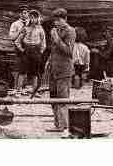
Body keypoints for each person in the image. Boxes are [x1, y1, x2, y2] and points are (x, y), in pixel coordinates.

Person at [46, 8, 76, 136]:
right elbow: (53, 50)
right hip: (54, 68)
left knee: (63, 98)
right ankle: (57, 124)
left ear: (65, 19)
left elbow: (69, 52)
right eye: (55, 20)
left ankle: (65, 126)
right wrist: (48, 61)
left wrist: (57, 38)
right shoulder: (56, 31)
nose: (56, 22)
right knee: (53, 97)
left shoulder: (70, 31)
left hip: (64, 70)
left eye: (59, 19)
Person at [17, 10, 46, 94]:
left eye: (35, 18)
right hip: (27, 50)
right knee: (22, 71)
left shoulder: (40, 29)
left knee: (35, 72)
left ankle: (34, 91)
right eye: (31, 18)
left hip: (36, 51)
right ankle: (19, 90)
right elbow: (17, 41)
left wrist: (40, 51)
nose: (33, 20)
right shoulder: (25, 28)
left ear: (37, 19)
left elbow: (43, 43)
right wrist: (22, 49)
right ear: (29, 18)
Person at [8, 4, 30, 90]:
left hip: (29, 47)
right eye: (22, 13)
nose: (24, 14)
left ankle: (23, 86)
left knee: (27, 67)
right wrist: (19, 32)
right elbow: (12, 37)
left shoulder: (31, 23)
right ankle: (16, 87)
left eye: (25, 13)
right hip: (18, 48)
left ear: (28, 14)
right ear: (19, 14)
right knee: (18, 67)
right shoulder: (15, 24)